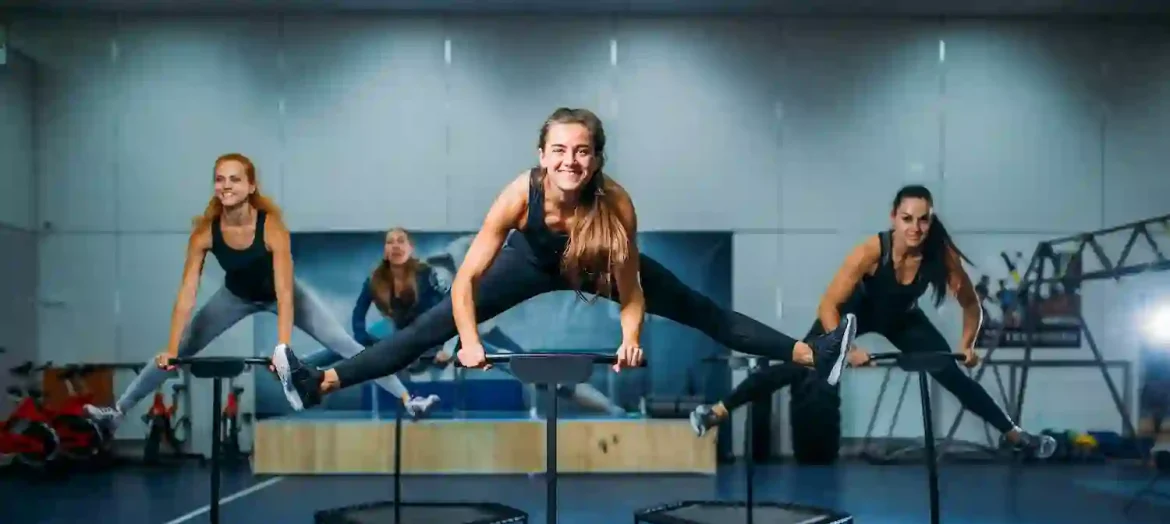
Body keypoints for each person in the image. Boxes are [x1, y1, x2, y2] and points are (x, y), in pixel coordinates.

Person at [277, 107, 856, 409]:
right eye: (559, 150)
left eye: (581, 152)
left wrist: (631, 338)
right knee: (425, 331)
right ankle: (319, 383)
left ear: (597, 158)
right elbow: (464, 282)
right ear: (542, 154)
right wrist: (472, 339)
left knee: (700, 309)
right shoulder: (517, 194)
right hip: (527, 262)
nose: (570, 162)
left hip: (596, 265)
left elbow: (632, 292)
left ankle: (813, 354)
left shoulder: (617, 203)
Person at [688, 184, 1057, 460]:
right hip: (850, 315)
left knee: (950, 372)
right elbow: (828, 305)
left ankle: (1014, 435)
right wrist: (846, 349)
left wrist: (967, 345)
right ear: (894, 218)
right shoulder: (869, 252)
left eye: (923, 219)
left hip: (903, 319)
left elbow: (971, 305)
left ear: (931, 220)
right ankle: (716, 411)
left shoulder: (939, 255)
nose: (915, 227)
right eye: (907, 219)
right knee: (797, 363)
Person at [82, 153, 437, 430]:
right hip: (234, 298)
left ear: (251, 186)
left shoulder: (272, 229)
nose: (226, 185)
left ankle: (409, 400)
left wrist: (283, 347)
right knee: (179, 351)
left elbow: (284, 291)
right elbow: (187, 293)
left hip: (286, 295)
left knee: (346, 346)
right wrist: (174, 346)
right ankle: (117, 411)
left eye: (235, 179)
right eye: (219, 179)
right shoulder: (205, 234)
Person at [307, 226, 625, 415]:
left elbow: (456, 314)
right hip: (420, 330)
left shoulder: (490, 259)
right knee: (353, 346)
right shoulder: (437, 267)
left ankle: (613, 408)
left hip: (463, 331)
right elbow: (366, 329)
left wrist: (447, 344)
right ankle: (302, 370)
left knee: (528, 368)